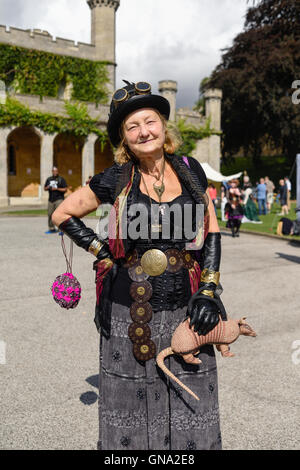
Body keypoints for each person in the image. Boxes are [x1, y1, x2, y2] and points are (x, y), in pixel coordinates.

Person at [52, 80, 227, 451]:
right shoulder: (116, 178)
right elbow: (62, 213)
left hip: (187, 302)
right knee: (130, 401)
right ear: (124, 140)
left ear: (164, 127)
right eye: (132, 127)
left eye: (149, 122)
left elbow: (211, 227)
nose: (143, 131)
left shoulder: (190, 168)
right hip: (128, 308)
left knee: (190, 393)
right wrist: (101, 250)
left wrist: (210, 288)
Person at [44, 166, 67, 234]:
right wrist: (48, 187)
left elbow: (65, 189)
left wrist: (56, 189)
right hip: (51, 199)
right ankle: (51, 228)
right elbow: (44, 188)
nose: (55, 172)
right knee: (50, 214)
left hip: (59, 199)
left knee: (59, 215)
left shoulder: (61, 179)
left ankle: (61, 230)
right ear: (52, 171)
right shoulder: (49, 179)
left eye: (56, 171)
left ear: (58, 171)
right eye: (53, 171)